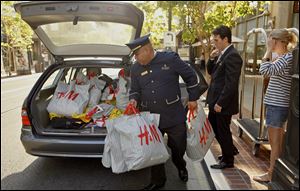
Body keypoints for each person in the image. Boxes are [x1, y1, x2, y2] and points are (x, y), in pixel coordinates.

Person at [126, 34, 202, 190]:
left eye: (137, 54)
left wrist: (193, 98)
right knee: (154, 151)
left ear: (147, 49)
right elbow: (135, 90)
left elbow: (190, 76)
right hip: (150, 117)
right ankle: (158, 180)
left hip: (173, 115)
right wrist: (133, 100)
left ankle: (181, 166)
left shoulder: (170, 59)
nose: (136, 58)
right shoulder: (135, 67)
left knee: (178, 148)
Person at [253, 29, 297, 183]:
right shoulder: (285, 57)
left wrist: (267, 51)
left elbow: (264, 71)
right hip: (277, 104)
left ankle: (271, 174)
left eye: (271, 40)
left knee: (275, 143)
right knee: (277, 141)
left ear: (278, 41)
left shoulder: (285, 59)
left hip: (276, 106)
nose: (268, 42)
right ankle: (275, 172)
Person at [206, 25, 242, 169]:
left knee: (222, 129)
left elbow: (231, 83)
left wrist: (220, 102)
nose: (214, 43)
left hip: (222, 103)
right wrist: (211, 58)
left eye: (216, 40)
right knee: (214, 127)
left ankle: (228, 160)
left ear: (225, 39)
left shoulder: (233, 55)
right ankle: (230, 150)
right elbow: (211, 72)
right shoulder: (222, 53)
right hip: (215, 100)